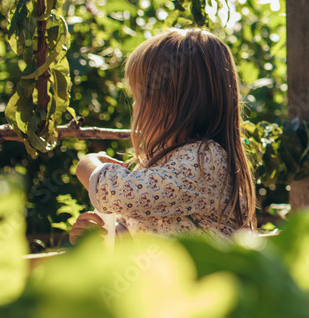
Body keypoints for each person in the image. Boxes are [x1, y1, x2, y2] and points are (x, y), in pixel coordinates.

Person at [69, 28, 256, 243]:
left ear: (175, 103)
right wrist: (104, 234)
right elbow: (140, 226)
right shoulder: (156, 161)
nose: (135, 105)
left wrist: (87, 164)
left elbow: (119, 193)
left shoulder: (204, 160)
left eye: (139, 96)